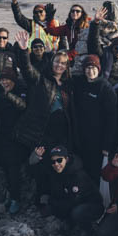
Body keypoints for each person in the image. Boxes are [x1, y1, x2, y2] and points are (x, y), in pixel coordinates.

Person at [13, 30, 74, 205]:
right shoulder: (42, 80)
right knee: (42, 163)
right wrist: (24, 51)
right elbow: (27, 70)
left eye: (63, 63)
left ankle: (57, 198)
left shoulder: (68, 84)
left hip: (62, 131)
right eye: (57, 62)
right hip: (43, 130)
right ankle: (41, 198)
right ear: (51, 62)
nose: (59, 65)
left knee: (59, 163)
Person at [35, 146, 103, 236]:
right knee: (52, 207)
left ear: (66, 159)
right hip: (72, 202)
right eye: (53, 162)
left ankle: (87, 230)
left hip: (91, 205)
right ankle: (69, 224)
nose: (56, 164)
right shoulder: (57, 171)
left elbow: (73, 201)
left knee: (76, 212)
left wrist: (52, 203)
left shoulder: (78, 175)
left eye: (59, 160)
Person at [70, 54, 117, 181]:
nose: (91, 71)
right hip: (80, 137)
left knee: (94, 172)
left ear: (99, 69)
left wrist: (107, 145)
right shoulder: (80, 83)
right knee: (79, 169)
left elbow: (111, 119)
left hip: (97, 140)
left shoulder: (105, 88)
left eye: (93, 68)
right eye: (88, 68)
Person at [0, 67, 28, 214]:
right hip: (1, 137)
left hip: (17, 138)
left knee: (14, 169)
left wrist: (8, 95)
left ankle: (16, 199)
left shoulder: (20, 91)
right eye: (2, 80)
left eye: (7, 79)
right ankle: (8, 196)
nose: (5, 82)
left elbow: (22, 105)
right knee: (4, 168)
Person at [43, 4, 91, 72]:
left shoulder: (86, 26)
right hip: (72, 52)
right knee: (58, 55)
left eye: (77, 11)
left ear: (82, 13)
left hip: (84, 53)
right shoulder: (69, 26)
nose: (75, 13)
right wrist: (50, 18)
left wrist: (69, 55)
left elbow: (83, 46)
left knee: (62, 58)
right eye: (72, 11)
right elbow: (53, 31)